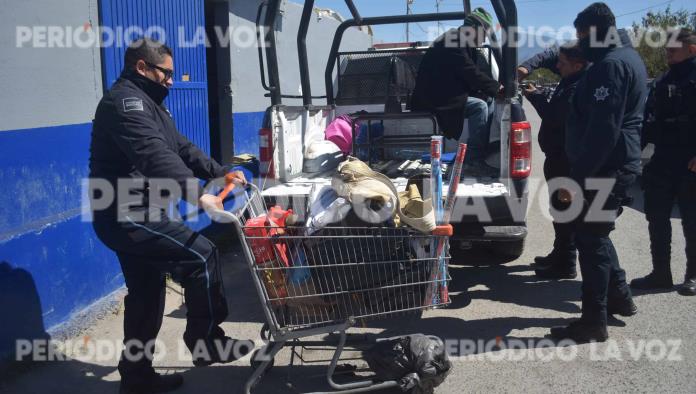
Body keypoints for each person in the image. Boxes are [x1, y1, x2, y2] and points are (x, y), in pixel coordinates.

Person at [89, 38, 253, 394]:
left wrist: (219, 171)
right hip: (125, 213)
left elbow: (179, 148)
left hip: (136, 211)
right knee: (202, 253)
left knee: (147, 296)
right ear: (142, 68)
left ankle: (137, 378)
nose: (171, 81)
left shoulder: (150, 104)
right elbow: (153, 157)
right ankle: (207, 341)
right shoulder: (125, 104)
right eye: (166, 73)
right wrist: (199, 195)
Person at [549, 3, 647, 343]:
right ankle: (619, 297)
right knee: (597, 235)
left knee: (590, 239)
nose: (581, 42)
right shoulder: (625, 58)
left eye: (582, 35)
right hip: (611, 165)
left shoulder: (612, 66)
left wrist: (576, 179)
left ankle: (593, 320)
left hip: (604, 169)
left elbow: (603, 131)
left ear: (598, 30)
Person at [631, 28, 696, 296]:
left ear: (691, 49)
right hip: (660, 160)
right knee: (656, 218)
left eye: (672, 50)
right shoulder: (663, 79)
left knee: (692, 221)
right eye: (666, 50)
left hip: (689, 162)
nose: (667, 54)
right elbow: (649, 120)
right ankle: (661, 273)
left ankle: (693, 275)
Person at [522, 44, 589, 280]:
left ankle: (566, 263)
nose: (557, 66)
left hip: (566, 160)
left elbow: (553, 117)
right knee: (558, 210)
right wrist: (526, 66)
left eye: (562, 63)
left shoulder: (578, 88)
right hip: (557, 157)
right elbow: (549, 55)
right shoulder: (570, 78)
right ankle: (559, 253)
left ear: (578, 65)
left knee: (564, 212)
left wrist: (535, 97)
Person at [411, 7, 501, 177]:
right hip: (434, 98)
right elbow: (470, 72)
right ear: (474, 30)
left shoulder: (462, 41)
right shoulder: (453, 41)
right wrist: (497, 88)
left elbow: (470, 75)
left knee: (488, 100)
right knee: (480, 107)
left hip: (445, 94)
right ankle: (473, 161)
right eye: (484, 33)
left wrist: (492, 90)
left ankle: (481, 148)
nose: (484, 39)